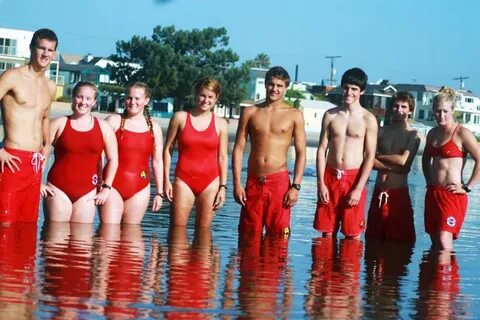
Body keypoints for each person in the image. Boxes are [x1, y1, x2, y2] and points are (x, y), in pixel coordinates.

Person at [232, 66, 306, 237]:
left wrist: (296, 186)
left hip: (279, 182)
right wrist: (237, 184)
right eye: (271, 84)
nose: (274, 89)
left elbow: (301, 153)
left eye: (279, 86)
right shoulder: (250, 112)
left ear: (286, 88)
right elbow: (238, 148)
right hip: (254, 182)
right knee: (248, 235)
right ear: (265, 85)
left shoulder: (294, 115)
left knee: (278, 236)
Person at [0, 28, 58, 224]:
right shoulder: (12, 76)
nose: (45, 54)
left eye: (50, 50)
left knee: (28, 223)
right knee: (5, 222)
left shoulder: (49, 86)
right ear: (31, 48)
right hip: (11, 159)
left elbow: (45, 118)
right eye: (41, 48)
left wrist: (48, 145)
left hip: (34, 164)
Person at [314, 67, 378, 239]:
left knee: (353, 234)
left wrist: (358, 188)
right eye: (346, 88)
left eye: (354, 89)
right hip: (330, 176)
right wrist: (321, 182)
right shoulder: (330, 115)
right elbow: (321, 150)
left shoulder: (368, 119)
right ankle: (323, 266)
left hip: (353, 178)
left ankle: (348, 265)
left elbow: (370, 156)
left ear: (362, 91)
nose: (349, 92)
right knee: (326, 233)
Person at [42, 81, 118, 223]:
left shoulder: (104, 128)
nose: (83, 102)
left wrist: (106, 188)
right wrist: (38, 183)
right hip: (57, 189)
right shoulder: (59, 123)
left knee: (82, 242)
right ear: (73, 98)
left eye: (88, 98)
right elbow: (41, 152)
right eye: (79, 97)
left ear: (94, 102)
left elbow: (113, 159)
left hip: (87, 193)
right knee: (55, 241)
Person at [163, 78, 228, 228]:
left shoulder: (221, 124)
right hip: (183, 181)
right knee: (177, 233)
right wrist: (166, 180)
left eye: (210, 97)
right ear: (196, 95)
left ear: (216, 98)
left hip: (211, 183)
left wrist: (223, 187)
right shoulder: (180, 118)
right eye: (202, 95)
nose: (206, 100)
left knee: (203, 236)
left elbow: (223, 157)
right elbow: (168, 149)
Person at [422, 86, 480, 250]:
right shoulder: (432, 133)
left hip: (452, 194)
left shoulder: (462, 133)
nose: (441, 115)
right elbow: (426, 159)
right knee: (435, 241)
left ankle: (448, 275)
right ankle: (433, 274)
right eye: (438, 111)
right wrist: (428, 180)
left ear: (452, 110)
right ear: (433, 110)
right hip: (434, 192)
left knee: (443, 240)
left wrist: (467, 187)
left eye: (445, 111)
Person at [101, 82, 164, 224]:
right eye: (129, 98)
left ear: (146, 100)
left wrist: (159, 193)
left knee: (131, 236)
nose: (132, 102)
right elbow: (99, 154)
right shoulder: (114, 121)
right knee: (108, 234)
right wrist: (98, 182)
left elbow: (157, 161)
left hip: (140, 188)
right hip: (111, 185)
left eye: (137, 98)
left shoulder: (154, 128)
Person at [365, 91, 421, 242]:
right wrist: (390, 166)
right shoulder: (381, 132)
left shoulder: (413, 135)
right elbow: (367, 159)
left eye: (404, 107)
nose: (399, 110)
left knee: (400, 240)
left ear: (410, 110)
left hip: (399, 192)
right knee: (373, 239)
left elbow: (403, 161)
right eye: (396, 106)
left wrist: (377, 157)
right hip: (378, 190)